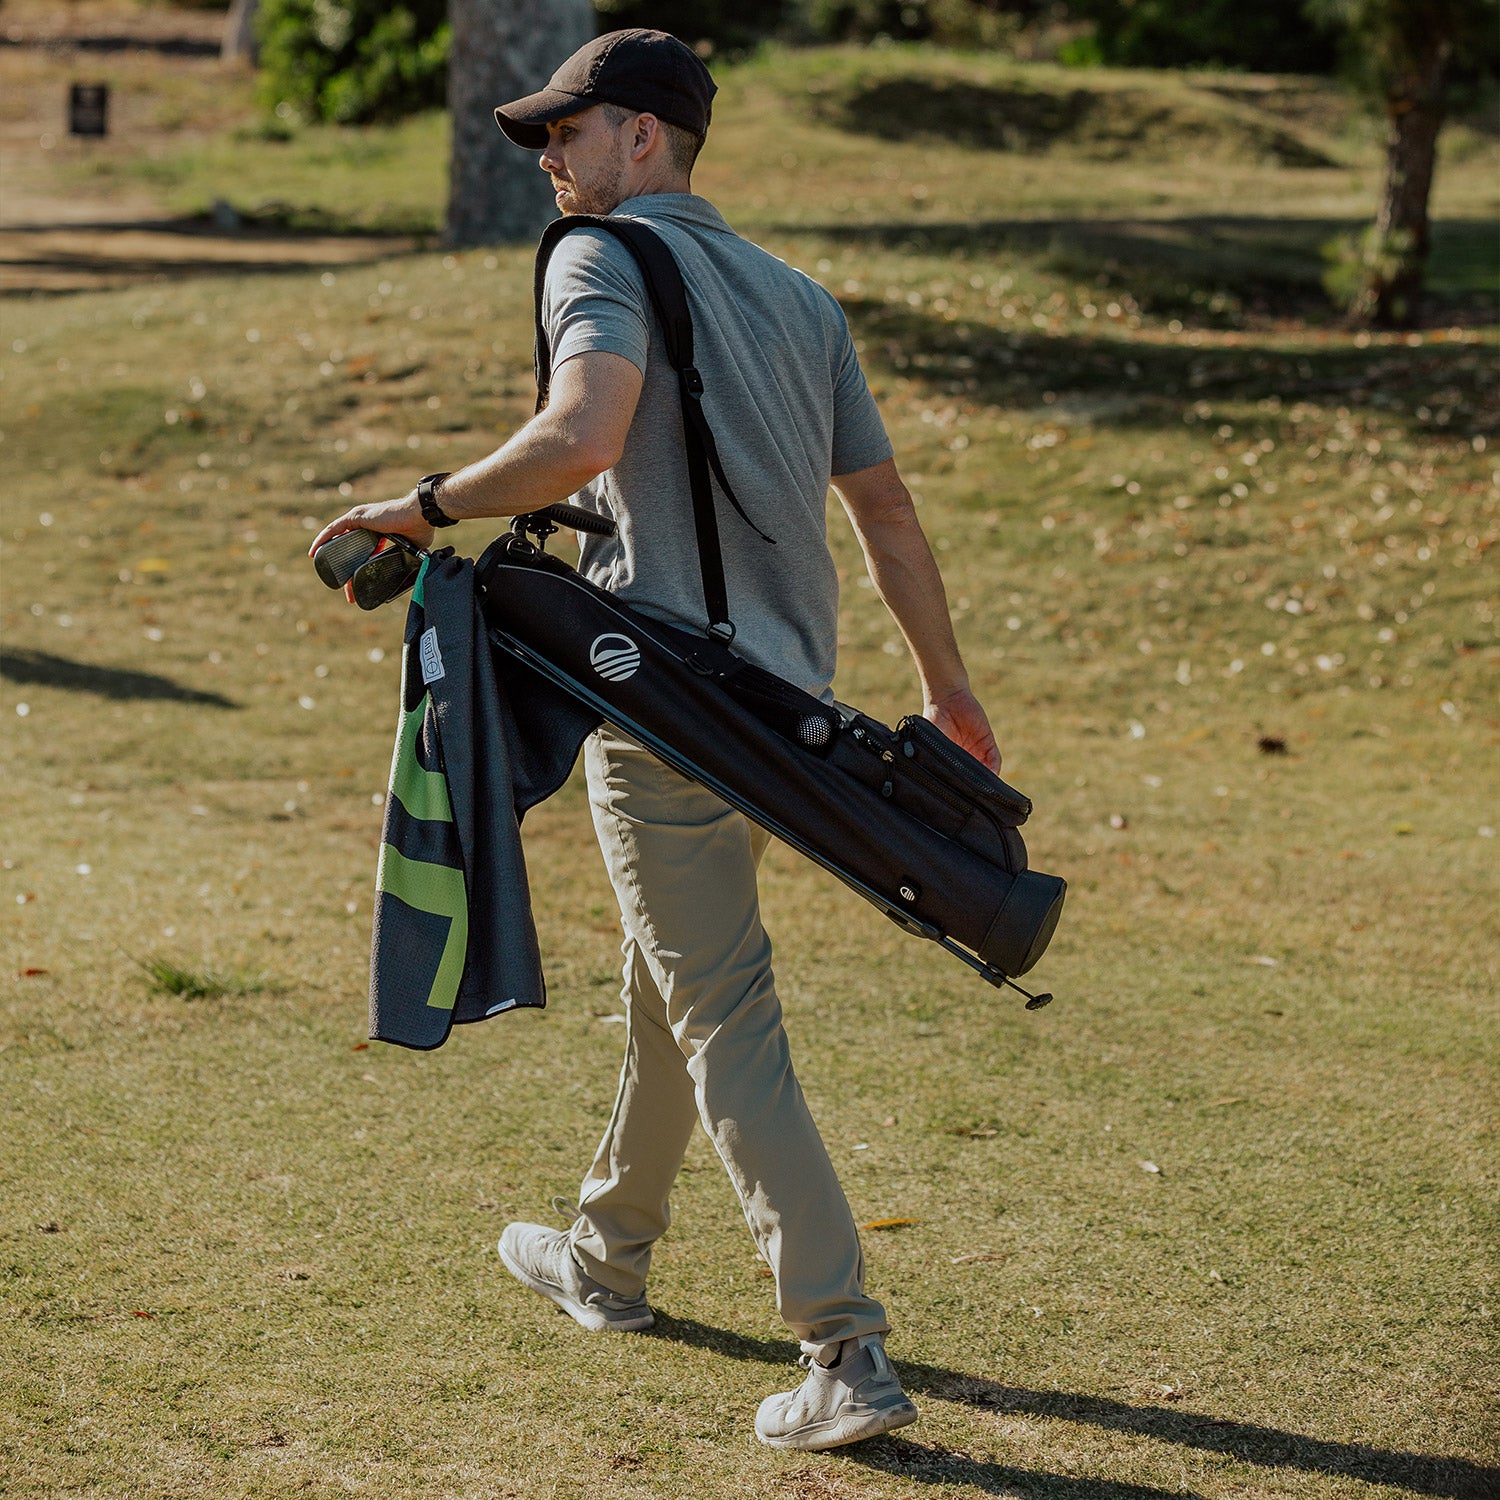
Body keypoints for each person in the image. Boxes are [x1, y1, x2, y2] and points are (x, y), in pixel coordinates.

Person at [308, 28, 999, 1453]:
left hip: (665, 697)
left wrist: (418, 506)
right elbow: (885, 512)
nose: (548, 161)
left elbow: (580, 436)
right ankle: (607, 1256)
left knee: (718, 1005)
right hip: (780, 722)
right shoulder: (800, 298)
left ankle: (845, 1349)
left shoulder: (600, 257)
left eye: (568, 132)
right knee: (671, 979)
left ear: (644, 138)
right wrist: (950, 691)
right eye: (541, 138)